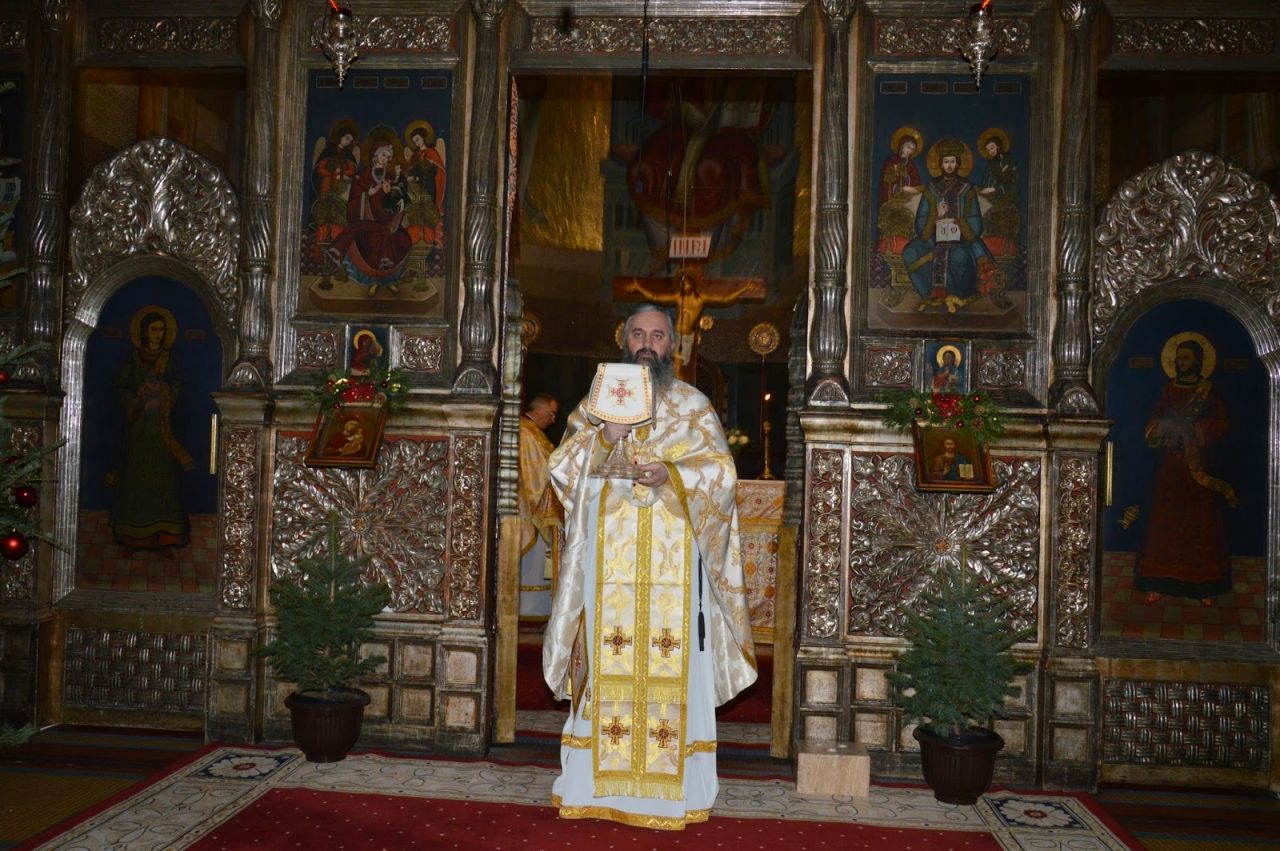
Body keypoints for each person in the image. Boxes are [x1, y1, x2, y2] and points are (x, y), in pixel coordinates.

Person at [543, 304, 756, 830]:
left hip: (674, 570)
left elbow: (722, 476)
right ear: (624, 339)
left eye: (657, 335)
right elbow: (562, 470)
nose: (646, 343)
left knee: (672, 666)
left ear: (672, 345)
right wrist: (605, 436)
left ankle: (672, 791)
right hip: (608, 567)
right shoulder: (594, 404)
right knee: (607, 659)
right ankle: (594, 783)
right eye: (638, 333)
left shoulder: (692, 404)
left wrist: (673, 475)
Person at [1136, 337, 1237, 606]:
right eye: (1179, 358)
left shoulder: (1208, 391)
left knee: (1200, 522)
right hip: (1171, 467)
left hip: (1197, 465)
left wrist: (1195, 431)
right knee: (1165, 522)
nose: (1181, 362)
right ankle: (1157, 582)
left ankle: (1204, 586)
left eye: (1187, 358)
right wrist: (1160, 427)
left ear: (1198, 361)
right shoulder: (1169, 388)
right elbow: (1156, 416)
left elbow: (1222, 422)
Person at [109, 309, 194, 557]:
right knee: (136, 481)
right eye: (154, 329)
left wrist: (162, 392)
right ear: (145, 331)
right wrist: (136, 402)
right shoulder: (134, 358)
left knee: (163, 483)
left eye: (162, 329)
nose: (158, 333)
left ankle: (163, 539)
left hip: (162, 430)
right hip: (138, 431)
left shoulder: (166, 359)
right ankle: (132, 539)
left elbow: (176, 383)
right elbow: (121, 386)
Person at [901, 138, 999, 313]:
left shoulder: (966, 188)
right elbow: (921, 218)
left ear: (958, 163)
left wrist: (959, 223)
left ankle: (956, 296)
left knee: (959, 256)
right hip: (933, 237)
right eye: (946, 161)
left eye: (952, 161)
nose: (949, 165)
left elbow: (975, 218)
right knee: (910, 252)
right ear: (940, 163)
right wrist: (937, 215)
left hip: (961, 238)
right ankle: (932, 295)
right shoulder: (932, 188)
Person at [327, 128, 412, 296]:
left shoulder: (390, 177)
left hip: (387, 221)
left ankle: (389, 280)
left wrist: (395, 194)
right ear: (375, 155)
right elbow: (353, 200)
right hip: (367, 220)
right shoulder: (362, 176)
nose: (386, 159)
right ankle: (373, 282)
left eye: (388, 156)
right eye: (383, 155)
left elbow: (396, 201)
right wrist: (367, 194)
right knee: (376, 238)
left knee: (402, 239)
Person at [519, 393, 562, 618]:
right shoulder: (526, 432)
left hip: (540, 505)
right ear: (539, 409)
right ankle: (529, 609)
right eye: (551, 414)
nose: (553, 420)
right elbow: (537, 472)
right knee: (533, 561)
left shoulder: (533, 431)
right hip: (533, 507)